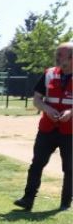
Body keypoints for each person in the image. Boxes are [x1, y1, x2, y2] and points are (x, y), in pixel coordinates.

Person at [13, 41, 72, 212]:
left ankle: (65, 203)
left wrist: (70, 112)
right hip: (47, 128)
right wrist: (47, 108)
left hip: (70, 131)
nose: (57, 58)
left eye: (61, 54)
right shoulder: (49, 74)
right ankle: (27, 199)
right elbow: (37, 99)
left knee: (69, 168)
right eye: (57, 54)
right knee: (37, 163)